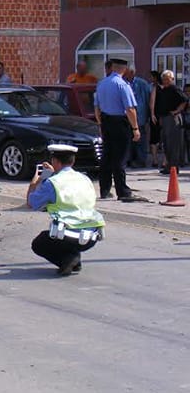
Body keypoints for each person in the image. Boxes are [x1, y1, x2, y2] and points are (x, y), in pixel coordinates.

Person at [27, 144, 105, 276]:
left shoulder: (52, 182)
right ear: (73, 161)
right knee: (67, 235)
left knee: (39, 243)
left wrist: (37, 179)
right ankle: (72, 258)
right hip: (92, 236)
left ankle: (68, 259)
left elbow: (31, 202)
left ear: (55, 161)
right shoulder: (85, 178)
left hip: (67, 235)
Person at [94, 58, 147, 202]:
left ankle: (104, 189)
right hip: (119, 122)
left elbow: (97, 108)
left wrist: (101, 124)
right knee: (120, 157)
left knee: (107, 156)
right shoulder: (123, 85)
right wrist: (135, 128)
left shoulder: (101, 84)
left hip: (106, 121)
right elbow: (130, 109)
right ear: (124, 69)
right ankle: (122, 191)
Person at [154, 70, 187, 175]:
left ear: (172, 79)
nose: (165, 81)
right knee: (166, 144)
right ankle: (169, 166)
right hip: (164, 118)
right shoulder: (163, 90)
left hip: (172, 119)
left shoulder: (174, 89)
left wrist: (177, 111)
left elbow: (185, 100)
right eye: (164, 79)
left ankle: (174, 167)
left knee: (173, 144)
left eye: (167, 79)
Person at [123, 67, 150, 167]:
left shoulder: (142, 83)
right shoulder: (123, 83)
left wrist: (147, 115)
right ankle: (129, 159)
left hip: (140, 116)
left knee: (140, 139)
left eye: (129, 73)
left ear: (133, 73)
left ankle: (141, 160)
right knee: (129, 139)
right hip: (126, 116)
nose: (127, 75)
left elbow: (147, 99)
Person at [148, 70, 164, 168]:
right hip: (163, 115)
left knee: (155, 138)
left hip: (158, 115)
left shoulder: (155, 88)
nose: (150, 79)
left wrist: (152, 114)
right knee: (162, 137)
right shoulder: (165, 88)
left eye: (151, 77)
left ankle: (155, 159)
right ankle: (162, 161)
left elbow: (152, 102)